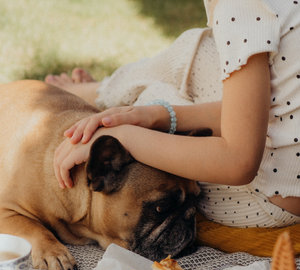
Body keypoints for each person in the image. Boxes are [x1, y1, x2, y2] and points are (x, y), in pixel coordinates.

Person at [46, 0, 300, 228]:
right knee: (195, 50)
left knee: (155, 93)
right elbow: (254, 111)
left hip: (266, 200)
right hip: (287, 158)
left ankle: (108, 94)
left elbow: (239, 163)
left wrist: (124, 135)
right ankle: (101, 90)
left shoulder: (240, 7)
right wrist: (157, 115)